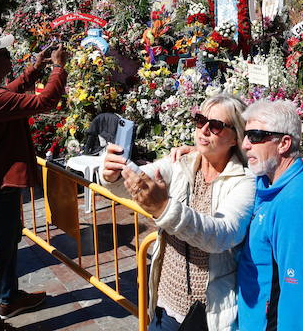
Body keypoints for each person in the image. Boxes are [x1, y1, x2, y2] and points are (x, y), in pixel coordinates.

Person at [101, 94, 255, 331]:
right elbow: (138, 180)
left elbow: (221, 235)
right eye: (200, 120)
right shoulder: (182, 164)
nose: (203, 130)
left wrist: (164, 208)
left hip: (209, 315)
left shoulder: (244, 182)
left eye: (215, 126)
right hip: (165, 302)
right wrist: (114, 173)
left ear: (235, 137)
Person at [0, 35, 67, 320]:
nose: (10, 57)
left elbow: (7, 92)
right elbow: (46, 102)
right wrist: (58, 68)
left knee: (6, 246)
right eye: (5, 53)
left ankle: (9, 298)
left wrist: (35, 68)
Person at [236, 100, 303, 331]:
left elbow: (299, 301)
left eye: (255, 136)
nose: (245, 144)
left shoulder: (295, 203)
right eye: (245, 135)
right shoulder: (271, 181)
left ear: (284, 143)